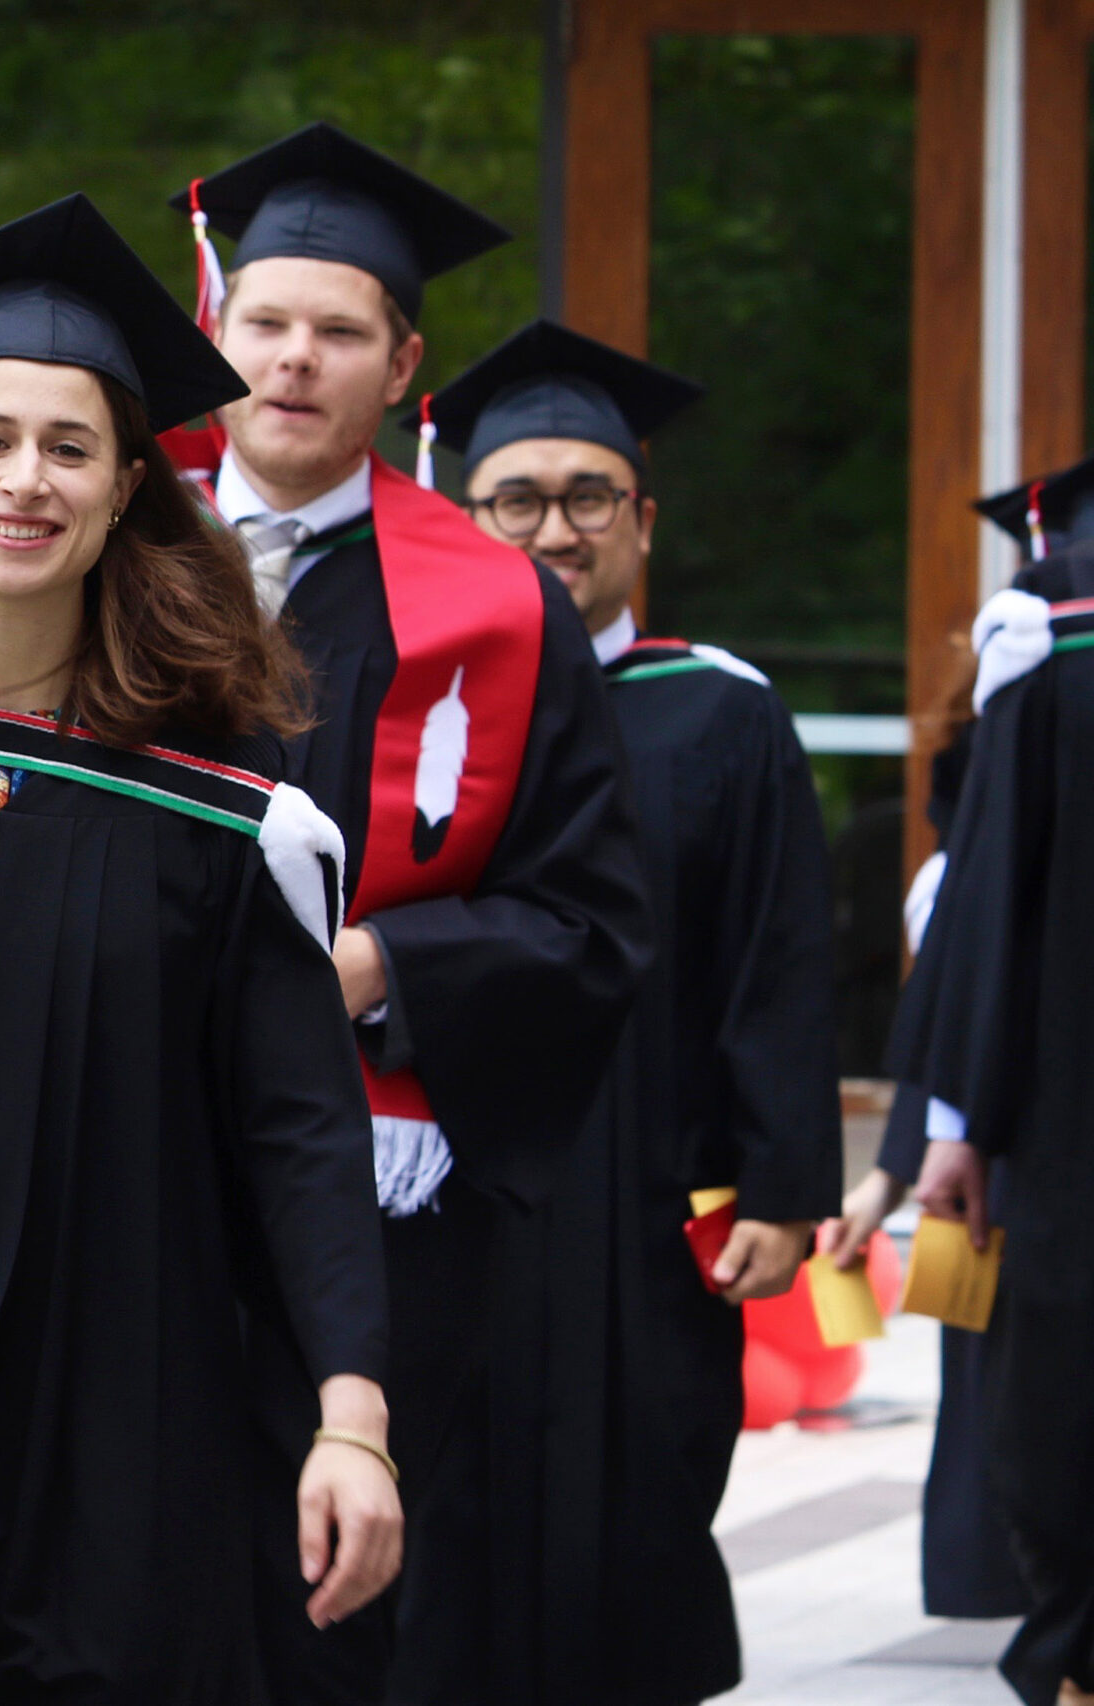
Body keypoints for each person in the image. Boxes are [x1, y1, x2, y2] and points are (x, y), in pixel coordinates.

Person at [0, 193, 399, 1706]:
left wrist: (352, 1419)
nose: (23, 480)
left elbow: (301, 1134)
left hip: (138, 1441)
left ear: (125, 492)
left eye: (69, 446)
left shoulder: (224, 823)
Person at [167, 123, 652, 1700]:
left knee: (322, 1597)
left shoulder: (495, 606)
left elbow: (593, 923)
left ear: (403, 366)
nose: (297, 361)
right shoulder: (109, 554)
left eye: (342, 332)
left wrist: (379, 961)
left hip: (377, 1193)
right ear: (216, 337)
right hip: (127, 1146)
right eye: (268, 323)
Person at [420, 319, 841, 1704]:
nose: (555, 526)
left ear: (641, 520)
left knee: (642, 1496)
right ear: (465, 510)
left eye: (588, 494)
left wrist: (781, 1182)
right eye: (518, 496)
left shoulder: (718, 714)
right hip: (449, 1184)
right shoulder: (425, 702)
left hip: (641, 1190)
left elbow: (777, 955)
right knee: (441, 1520)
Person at [886, 457, 1094, 1706]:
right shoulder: (1062, 667)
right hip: (1070, 1124)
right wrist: (951, 1122)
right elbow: (989, 907)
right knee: (1057, 1418)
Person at [826, 617, 1026, 1628]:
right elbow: (942, 1036)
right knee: (983, 1375)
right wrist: (883, 1179)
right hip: (983, 1172)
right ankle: (993, 1578)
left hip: (1023, 1158)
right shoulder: (951, 870)